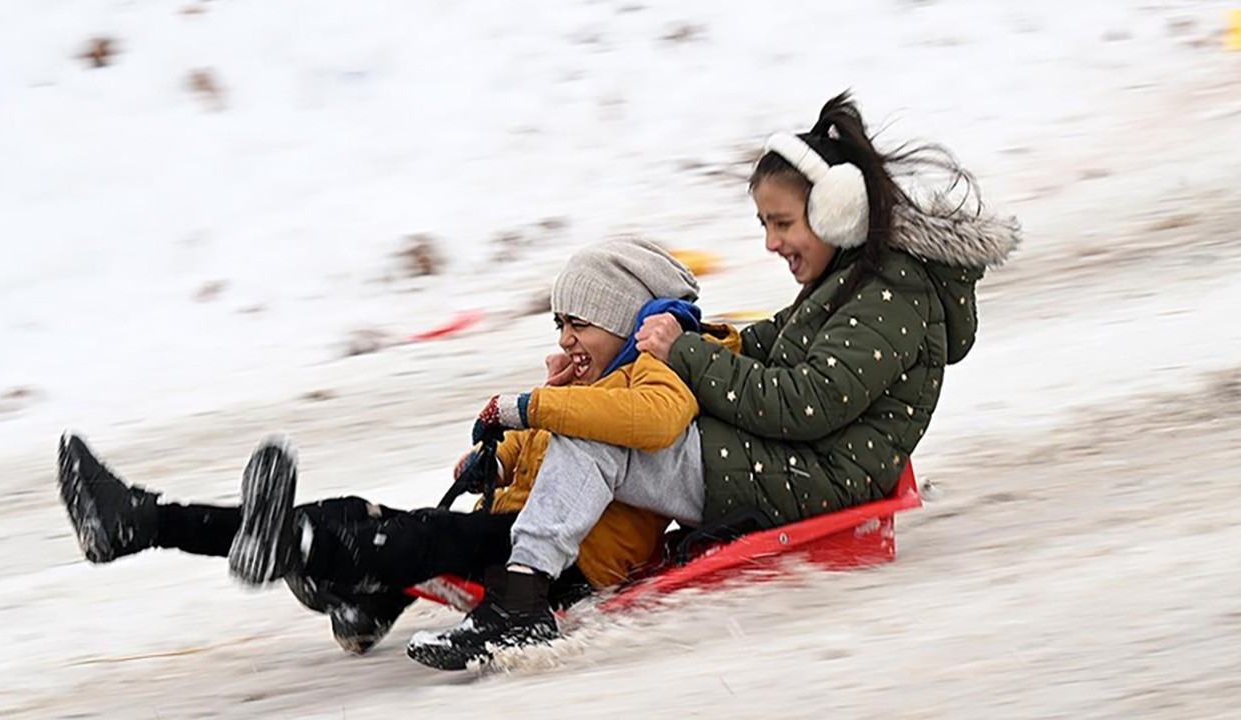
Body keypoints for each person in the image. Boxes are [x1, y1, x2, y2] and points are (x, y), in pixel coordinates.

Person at [408, 91, 1020, 670]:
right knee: (614, 418)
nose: (771, 242)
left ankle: (521, 599)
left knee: (598, 432)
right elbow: (772, 343)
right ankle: (534, 567)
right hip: (797, 462)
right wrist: (699, 340)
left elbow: (807, 403)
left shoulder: (890, 297)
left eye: (780, 223)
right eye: (763, 224)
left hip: (818, 478)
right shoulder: (857, 284)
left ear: (838, 211)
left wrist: (691, 356)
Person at [57, 237, 727, 656]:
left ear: (626, 320)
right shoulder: (584, 390)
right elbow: (545, 464)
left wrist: (538, 406)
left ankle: (304, 556)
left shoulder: (648, 380)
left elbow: (640, 430)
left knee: (397, 537)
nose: (564, 340)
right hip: (515, 531)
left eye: (578, 323)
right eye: (559, 324)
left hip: (566, 564)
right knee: (365, 517)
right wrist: (501, 455)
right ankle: (147, 522)